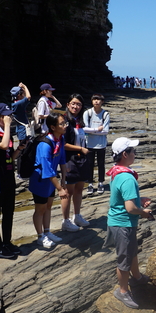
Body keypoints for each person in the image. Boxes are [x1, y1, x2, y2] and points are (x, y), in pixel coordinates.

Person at [105, 137, 154, 309]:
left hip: (119, 222)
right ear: (125, 154)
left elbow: (125, 199)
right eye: (133, 151)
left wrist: (140, 200)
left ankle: (137, 277)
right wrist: (144, 212)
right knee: (124, 258)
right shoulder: (127, 178)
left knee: (132, 251)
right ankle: (123, 291)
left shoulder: (117, 172)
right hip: (123, 223)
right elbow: (131, 208)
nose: (135, 153)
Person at [0, 103, 24, 259]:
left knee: (9, 212)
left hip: (7, 177)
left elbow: (9, 156)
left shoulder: (6, 132)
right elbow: (3, 145)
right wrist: (7, 126)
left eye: (10, 115)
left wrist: (19, 149)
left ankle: (7, 242)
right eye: (6, 116)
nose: (10, 118)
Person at [29, 114, 69, 249]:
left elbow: (62, 160)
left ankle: (47, 231)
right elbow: (46, 169)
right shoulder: (44, 144)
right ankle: (40, 237)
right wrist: (59, 188)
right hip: (41, 180)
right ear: (53, 127)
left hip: (51, 181)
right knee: (40, 209)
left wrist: (63, 180)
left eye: (65, 123)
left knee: (48, 207)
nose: (65, 126)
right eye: (62, 124)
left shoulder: (60, 140)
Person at [61, 94, 92, 232]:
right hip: (69, 159)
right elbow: (63, 143)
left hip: (82, 158)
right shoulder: (64, 121)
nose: (75, 106)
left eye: (78, 104)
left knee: (79, 188)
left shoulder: (80, 120)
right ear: (68, 104)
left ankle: (77, 216)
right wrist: (80, 148)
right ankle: (65, 220)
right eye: (73, 103)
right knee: (68, 191)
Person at [83, 93, 110, 196]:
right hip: (89, 143)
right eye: (94, 99)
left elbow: (106, 131)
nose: (96, 101)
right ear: (92, 101)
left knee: (101, 164)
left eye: (98, 99)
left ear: (102, 102)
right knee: (89, 165)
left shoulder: (105, 114)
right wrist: (97, 129)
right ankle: (90, 184)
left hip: (101, 144)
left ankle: (100, 183)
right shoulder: (87, 113)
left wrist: (91, 131)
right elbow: (85, 129)